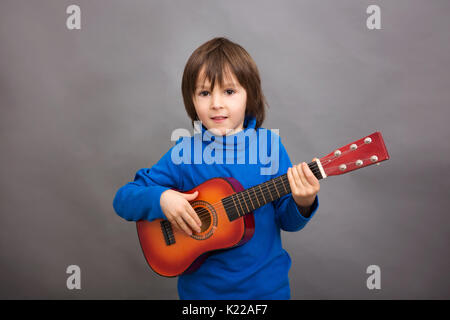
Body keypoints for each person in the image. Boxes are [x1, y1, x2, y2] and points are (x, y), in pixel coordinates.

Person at [113, 37, 320, 299]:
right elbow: (123, 198)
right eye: (204, 93)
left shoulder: (270, 146)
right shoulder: (184, 154)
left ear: (250, 95)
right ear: (192, 100)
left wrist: (303, 201)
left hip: (267, 291)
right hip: (202, 296)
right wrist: (162, 198)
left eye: (229, 92)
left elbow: (288, 221)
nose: (216, 104)